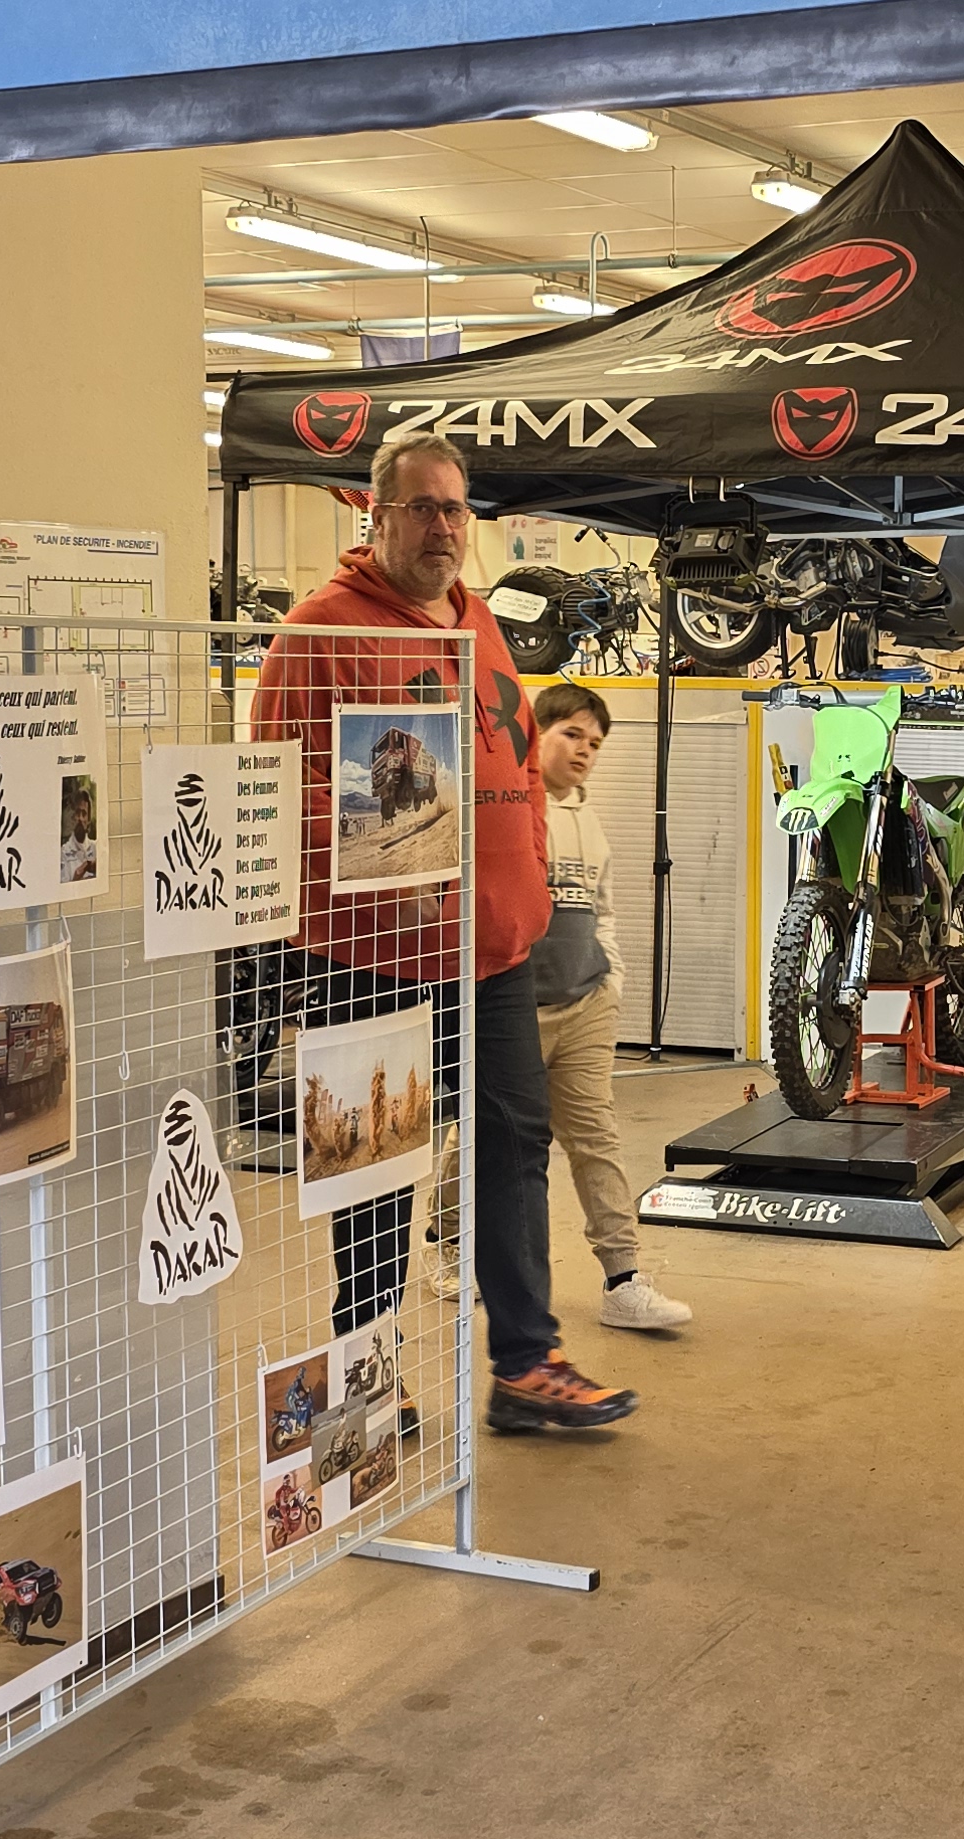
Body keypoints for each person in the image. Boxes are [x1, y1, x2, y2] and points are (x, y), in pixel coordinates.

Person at [248, 430, 634, 1434]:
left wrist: (530, 870)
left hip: (495, 954)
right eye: (421, 507)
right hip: (373, 958)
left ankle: (527, 1366)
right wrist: (378, 881)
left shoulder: (478, 620)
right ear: (375, 515)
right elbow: (276, 787)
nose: (442, 526)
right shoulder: (320, 630)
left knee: (513, 1150)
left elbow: (517, 759)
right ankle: (367, 1376)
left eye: (456, 508)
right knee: (376, 1170)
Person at [526, 681, 693, 1331]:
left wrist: (612, 984)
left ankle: (624, 1280)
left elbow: (604, 911)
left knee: (596, 1139)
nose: (584, 751)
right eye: (571, 735)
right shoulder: (508, 809)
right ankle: (449, 1245)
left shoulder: (589, 823)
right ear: (536, 732)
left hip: (586, 1007)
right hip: (515, 1013)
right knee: (484, 1138)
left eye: (594, 743)